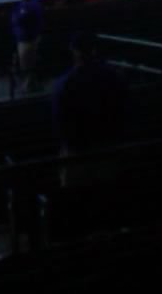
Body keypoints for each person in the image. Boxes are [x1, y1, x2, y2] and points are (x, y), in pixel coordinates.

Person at [52, 33, 128, 188]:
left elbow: (59, 120)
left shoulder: (65, 84)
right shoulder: (114, 76)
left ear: (73, 51)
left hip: (77, 152)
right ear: (94, 50)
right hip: (107, 148)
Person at [11, 0, 43, 94]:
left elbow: (19, 19)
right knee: (28, 65)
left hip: (28, 40)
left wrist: (16, 17)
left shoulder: (30, 6)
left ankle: (29, 88)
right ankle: (33, 86)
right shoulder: (29, 4)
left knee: (27, 66)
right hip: (27, 39)